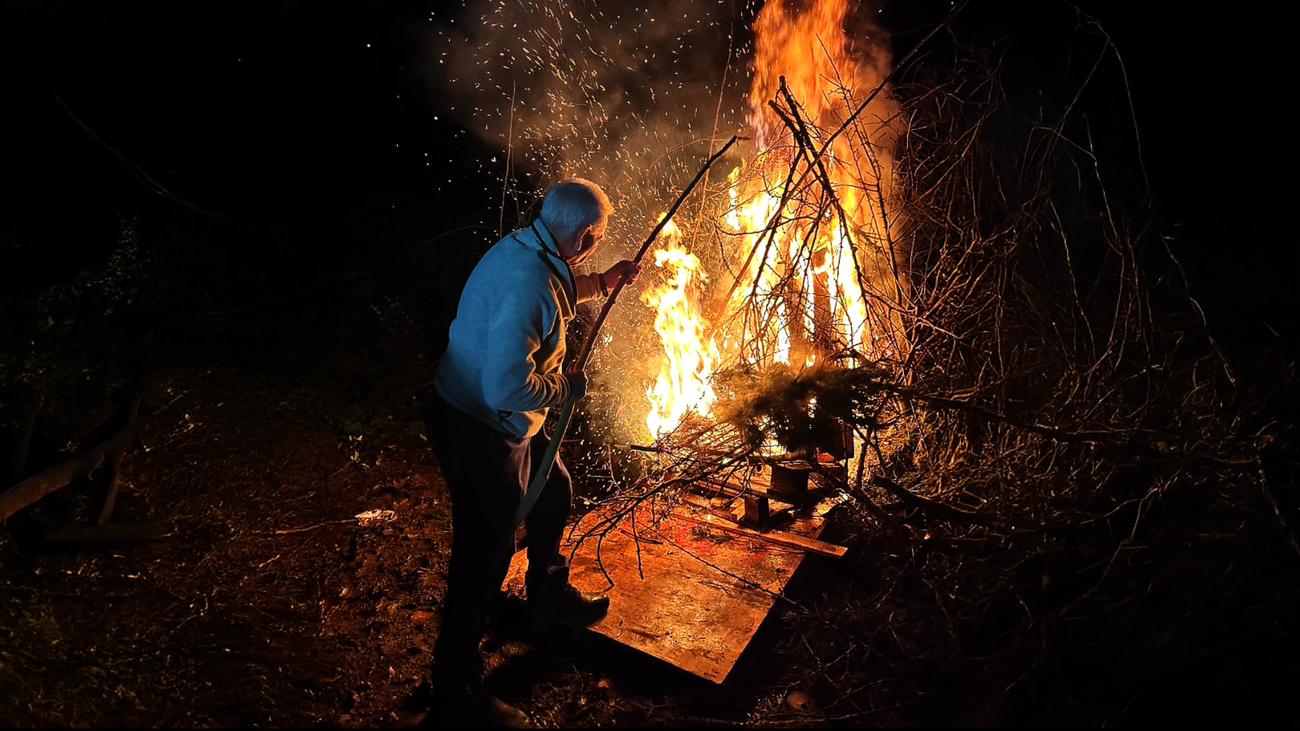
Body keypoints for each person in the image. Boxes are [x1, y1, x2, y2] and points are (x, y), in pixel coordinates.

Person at [417, 178, 641, 728]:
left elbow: (554, 289)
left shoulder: (528, 246)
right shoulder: (529, 285)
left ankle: (546, 598)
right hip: (480, 425)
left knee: (554, 488)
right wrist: (565, 387)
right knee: (483, 554)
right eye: (597, 239)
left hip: (493, 411)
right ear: (584, 236)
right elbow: (506, 388)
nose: (596, 246)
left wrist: (601, 283)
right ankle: (455, 688)